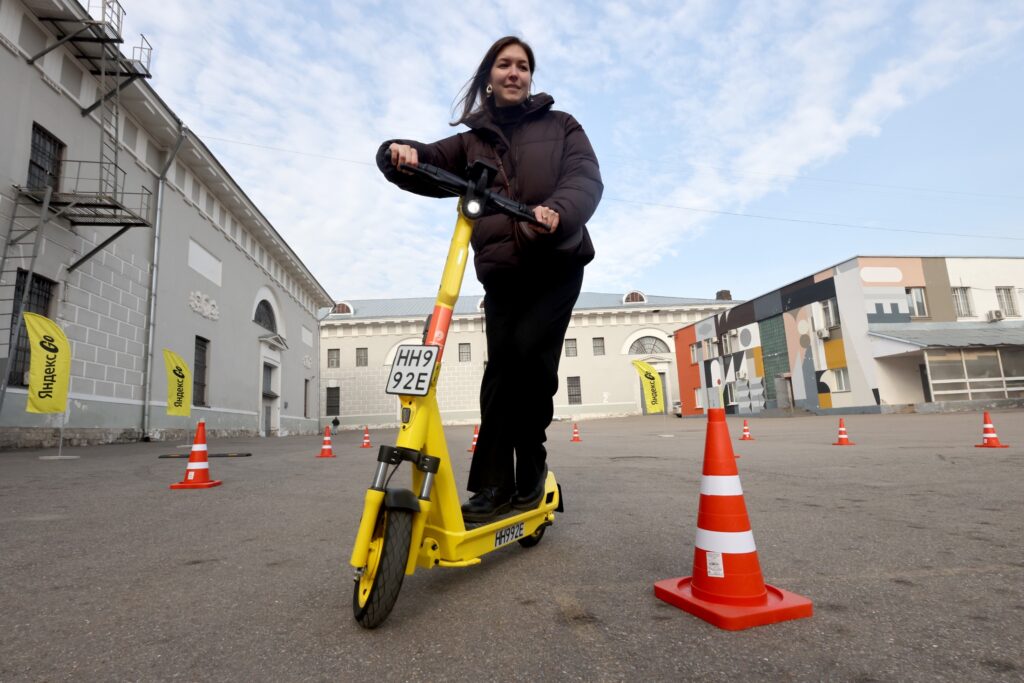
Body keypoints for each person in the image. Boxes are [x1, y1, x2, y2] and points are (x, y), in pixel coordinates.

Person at [376, 36, 603, 522]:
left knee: (530, 364)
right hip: (502, 273)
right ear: (489, 76)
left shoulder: (562, 126)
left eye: (523, 66)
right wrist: (399, 154)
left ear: (530, 77)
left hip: (553, 263)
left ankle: (532, 466)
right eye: (505, 65)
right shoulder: (472, 140)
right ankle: (493, 485)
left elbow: (585, 179)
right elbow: (431, 160)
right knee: (500, 372)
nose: (514, 73)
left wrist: (556, 213)